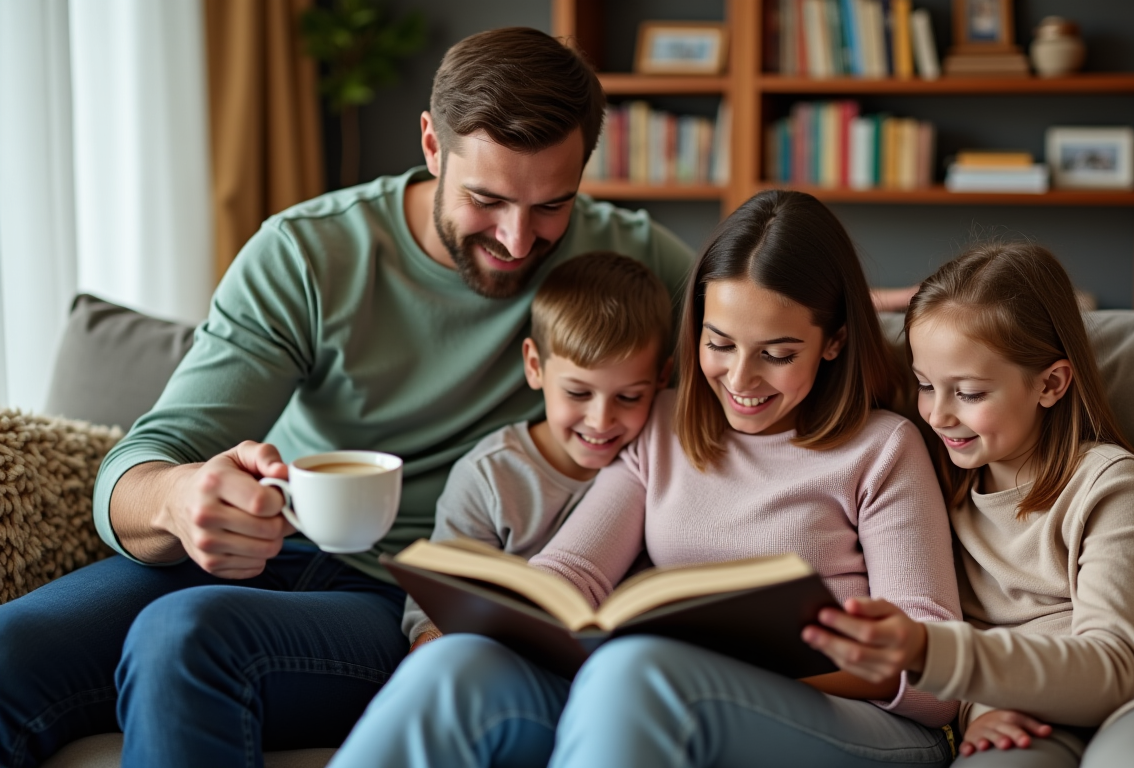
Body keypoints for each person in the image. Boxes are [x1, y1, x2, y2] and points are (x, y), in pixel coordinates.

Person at [0, 27, 695, 768]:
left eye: (553, 206)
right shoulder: (309, 253)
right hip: (266, 549)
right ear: (432, 145)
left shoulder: (635, 265)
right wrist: (178, 499)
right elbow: (138, 464)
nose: (518, 240)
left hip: (405, 597)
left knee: (185, 636)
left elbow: (755, 367)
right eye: (486, 199)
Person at [327, 189, 962, 768]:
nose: (740, 380)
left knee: (640, 671)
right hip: (672, 688)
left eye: (776, 354)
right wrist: (518, 614)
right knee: (457, 663)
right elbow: (573, 571)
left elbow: (935, 681)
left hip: (858, 721)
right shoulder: (662, 424)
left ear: (834, 341)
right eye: (719, 344)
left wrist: (754, 661)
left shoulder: (882, 448)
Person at [803, 241, 1134, 768]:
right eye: (925, 385)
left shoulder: (1109, 484)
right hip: (1027, 711)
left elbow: (1114, 671)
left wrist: (930, 652)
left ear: (1050, 384)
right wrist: (977, 710)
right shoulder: (932, 486)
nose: (937, 414)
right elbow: (811, 322)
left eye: (969, 393)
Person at [403, 251, 672, 651]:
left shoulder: (659, 462)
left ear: (662, 378)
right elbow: (434, 602)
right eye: (577, 393)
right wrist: (434, 642)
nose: (601, 420)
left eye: (629, 397)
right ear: (534, 366)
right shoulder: (490, 476)